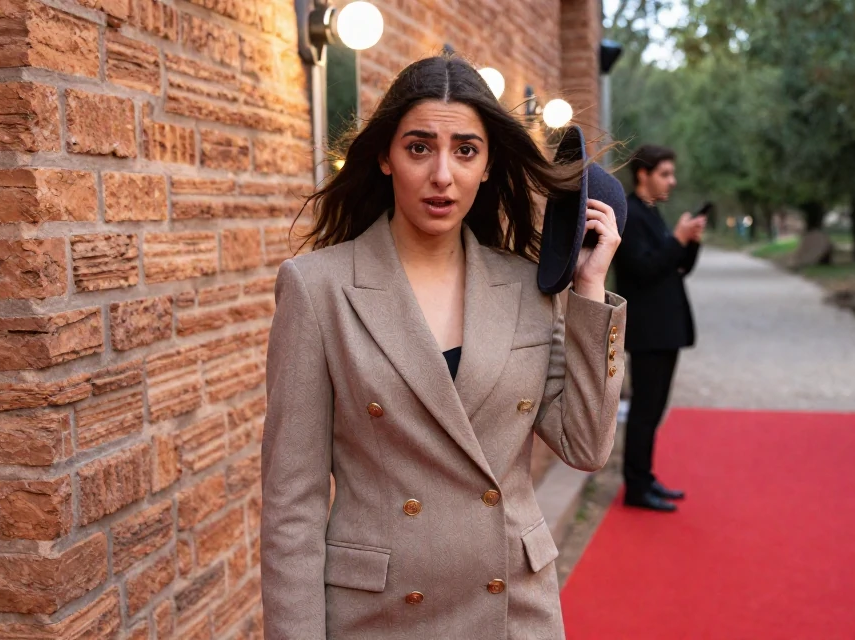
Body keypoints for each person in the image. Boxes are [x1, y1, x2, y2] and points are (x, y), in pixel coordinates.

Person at [260, 55, 627, 639]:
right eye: (419, 148)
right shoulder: (318, 288)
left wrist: (588, 288)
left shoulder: (527, 288)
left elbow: (585, 445)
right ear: (385, 157)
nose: (442, 175)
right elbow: (292, 506)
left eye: (465, 150)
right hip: (380, 618)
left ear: (487, 164)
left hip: (513, 611)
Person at [613, 145, 706, 512]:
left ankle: (645, 477)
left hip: (665, 329)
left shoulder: (651, 213)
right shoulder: (630, 214)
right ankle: (636, 488)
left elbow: (676, 267)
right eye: (665, 174)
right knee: (644, 411)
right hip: (648, 331)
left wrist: (689, 243)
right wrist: (677, 240)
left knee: (653, 411)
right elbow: (643, 269)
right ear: (643, 174)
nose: (672, 180)